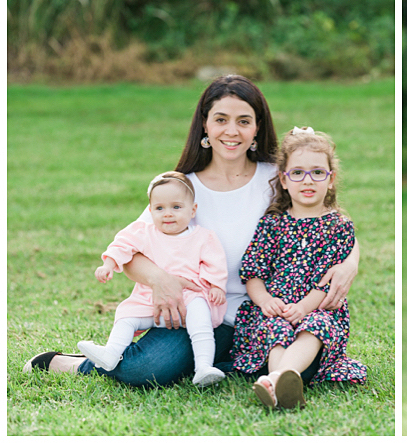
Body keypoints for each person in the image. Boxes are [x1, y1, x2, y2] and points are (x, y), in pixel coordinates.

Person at [25, 74, 362, 386]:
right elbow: (133, 249)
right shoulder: (182, 189)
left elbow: (330, 224)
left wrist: (349, 265)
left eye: (243, 121)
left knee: (312, 365)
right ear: (205, 125)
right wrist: (161, 280)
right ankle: (69, 363)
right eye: (221, 120)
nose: (232, 131)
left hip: (269, 311)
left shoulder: (278, 177)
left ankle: (243, 361)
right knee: (145, 369)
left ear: (257, 128)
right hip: (202, 312)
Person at [232, 127, 366, 409]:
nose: (308, 180)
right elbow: (253, 273)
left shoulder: (338, 226)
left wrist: (305, 308)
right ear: (283, 179)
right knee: (275, 327)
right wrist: (266, 301)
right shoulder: (272, 224)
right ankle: (281, 385)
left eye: (318, 172)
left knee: (317, 326)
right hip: (277, 306)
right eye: (297, 173)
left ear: (331, 180)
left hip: (318, 308)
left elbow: (328, 283)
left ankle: (275, 379)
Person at [78, 172, 228, 386]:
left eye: (176, 207)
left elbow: (215, 262)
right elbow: (123, 245)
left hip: (190, 295)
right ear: (150, 211)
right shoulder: (144, 232)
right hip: (150, 297)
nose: (168, 214)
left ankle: (204, 366)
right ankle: (111, 353)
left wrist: (216, 286)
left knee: (200, 319)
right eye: (160, 208)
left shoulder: (203, 237)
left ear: (192, 210)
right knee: (126, 315)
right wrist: (108, 264)